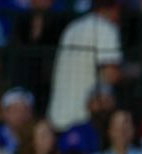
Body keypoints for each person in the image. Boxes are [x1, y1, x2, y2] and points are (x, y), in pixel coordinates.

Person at [47, 0, 122, 131]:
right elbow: (110, 75)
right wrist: (134, 73)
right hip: (84, 120)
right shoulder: (106, 28)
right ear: (115, 8)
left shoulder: (72, 27)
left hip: (57, 119)